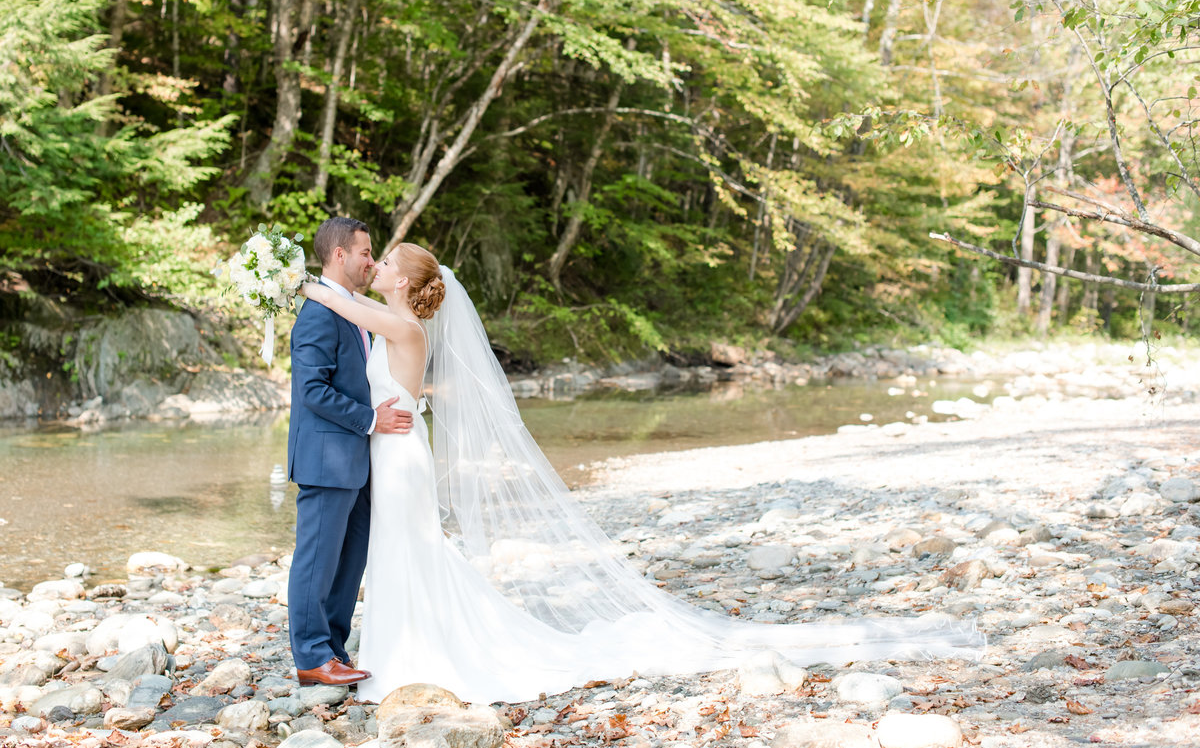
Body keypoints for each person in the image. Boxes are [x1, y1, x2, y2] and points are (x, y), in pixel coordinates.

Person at [300, 243, 986, 705]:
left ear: (402, 280)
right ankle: (394, 651)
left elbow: (341, 304)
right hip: (389, 449)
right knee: (401, 551)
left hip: (400, 458)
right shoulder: (390, 320)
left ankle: (408, 659)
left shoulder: (401, 328)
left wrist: (299, 281)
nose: (378, 261)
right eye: (378, 255)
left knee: (407, 551)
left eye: (386, 258)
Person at [286, 218, 413, 688]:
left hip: (357, 460)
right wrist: (371, 420)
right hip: (327, 458)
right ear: (340, 255)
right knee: (317, 560)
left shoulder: (349, 308)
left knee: (349, 561)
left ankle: (334, 649)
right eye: (365, 252)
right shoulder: (319, 313)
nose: (371, 260)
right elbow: (312, 390)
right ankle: (312, 656)